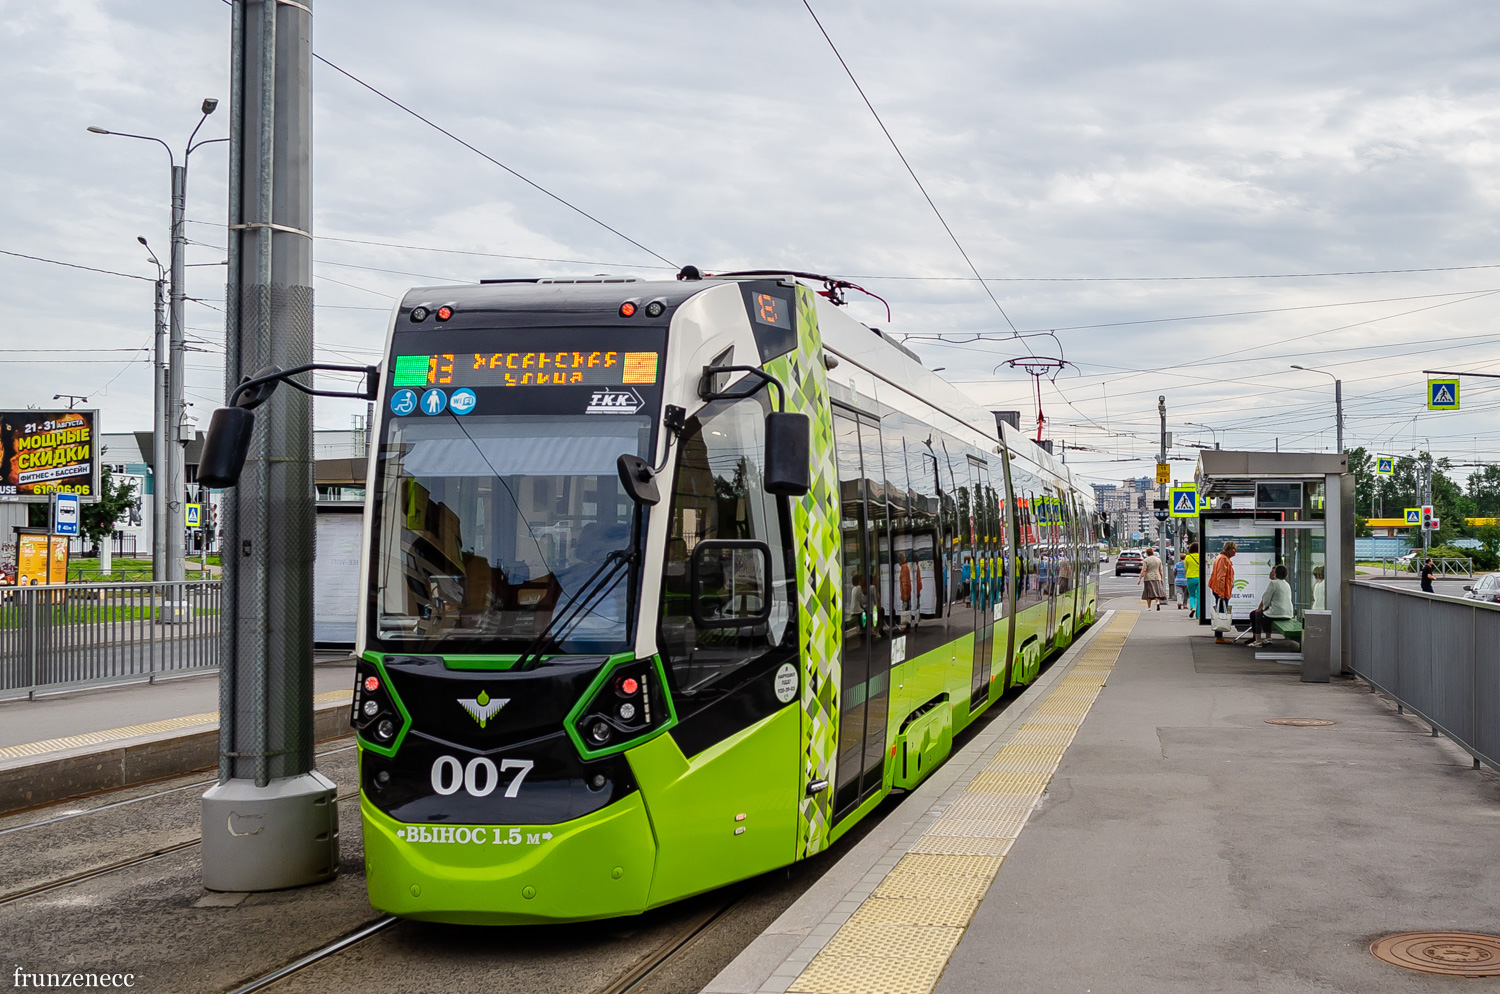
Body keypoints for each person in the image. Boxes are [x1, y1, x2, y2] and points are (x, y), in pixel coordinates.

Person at [1249, 564, 1294, 648]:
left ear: (1276, 573)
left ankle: (1258, 640)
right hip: (1288, 613)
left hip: (1277, 613)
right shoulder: (1286, 584)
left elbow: (1266, 598)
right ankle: (1268, 638)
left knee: (1258, 615)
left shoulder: (1273, 583)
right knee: (1266, 616)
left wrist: (1263, 608)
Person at [1207, 541, 1237, 643]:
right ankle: (1219, 637)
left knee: (1221, 612)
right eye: (1234, 549)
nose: (1235, 551)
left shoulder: (1222, 558)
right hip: (1221, 590)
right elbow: (1221, 577)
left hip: (1221, 590)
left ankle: (1219, 636)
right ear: (1228, 549)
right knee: (1221, 613)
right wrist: (1222, 593)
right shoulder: (1223, 560)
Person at [1183, 542, 1201, 618]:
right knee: (1199, 596)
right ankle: (1198, 614)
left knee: (1191, 594)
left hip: (1190, 577)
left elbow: (1186, 568)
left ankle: (1192, 607)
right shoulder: (1201, 556)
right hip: (1200, 578)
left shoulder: (1188, 557)